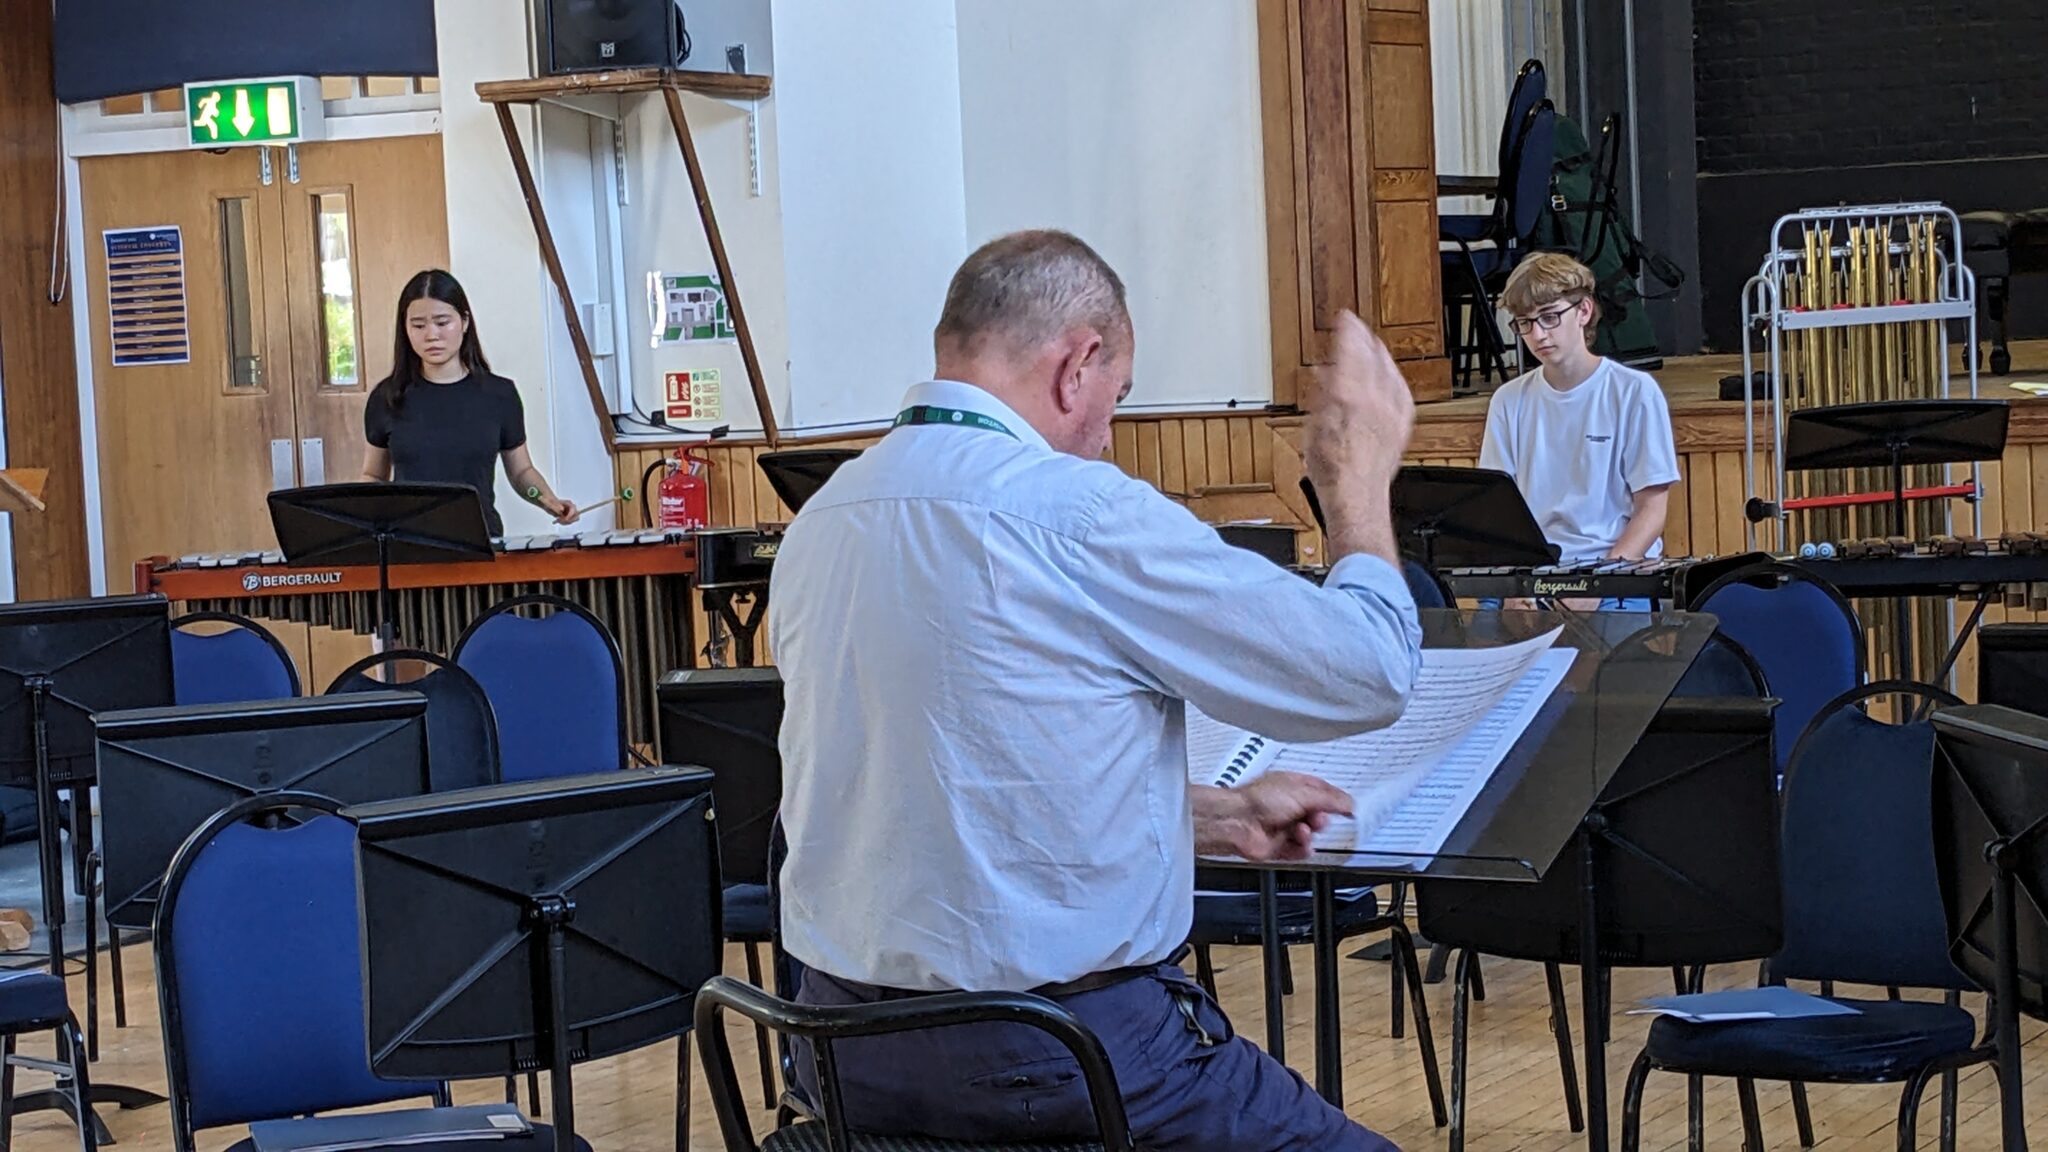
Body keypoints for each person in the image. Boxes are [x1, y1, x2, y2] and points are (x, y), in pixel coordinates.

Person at [768, 230, 1422, 1151]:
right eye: (1117, 397)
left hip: (842, 1057)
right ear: (1077, 365)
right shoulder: (1078, 513)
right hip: (1052, 1055)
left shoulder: (824, 520)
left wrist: (1209, 814)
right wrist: (1355, 486)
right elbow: (1368, 670)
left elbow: (942, 778)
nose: (1108, 433)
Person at [1478, 252, 1679, 611]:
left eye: (1549, 317)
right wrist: (1515, 587)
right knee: (1471, 634)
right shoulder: (1508, 400)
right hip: (1531, 572)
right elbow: (1497, 513)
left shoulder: (1633, 391)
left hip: (1615, 570)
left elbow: (1651, 511)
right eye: (1525, 323)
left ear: (1584, 311)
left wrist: (1596, 584)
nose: (1538, 334)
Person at [358, 269, 578, 536]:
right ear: (405, 328)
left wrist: (546, 499)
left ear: (464, 322)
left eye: (442, 322)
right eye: (418, 325)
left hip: (480, 539)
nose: (431, 335)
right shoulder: (388, 396)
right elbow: (374, 475)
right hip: (408, 543)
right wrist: (360, 515)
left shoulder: (500, 395)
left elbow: (521, 471)